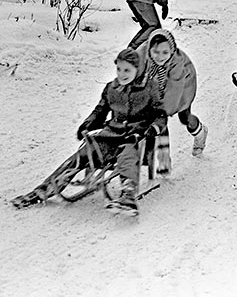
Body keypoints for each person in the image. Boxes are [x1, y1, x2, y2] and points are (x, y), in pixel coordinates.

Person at [11, 49, 166, 216]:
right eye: (119, 69)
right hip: (109, 136)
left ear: (138, 69)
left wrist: (152, 130)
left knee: (127, 157)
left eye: (127, 70)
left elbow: (161, 114)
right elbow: (100, 111)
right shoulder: (112, 89)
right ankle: (42, 191)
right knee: (80, 156)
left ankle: (127, 196)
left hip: (135, 138)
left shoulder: (149, 88)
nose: (122, 74)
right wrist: (88, 124)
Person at [136, 29, 207, 167]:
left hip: (184, 83)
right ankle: (163, 161)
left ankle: (200, 132)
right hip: (154, 82)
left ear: (171, 51)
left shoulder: (178, 64)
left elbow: (173, 94)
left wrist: (159, 114)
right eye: (155, 52)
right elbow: (133, 74)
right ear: (148, 48)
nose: (160, 57)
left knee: (182, 117)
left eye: (165, 53)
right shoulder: (141, 54)